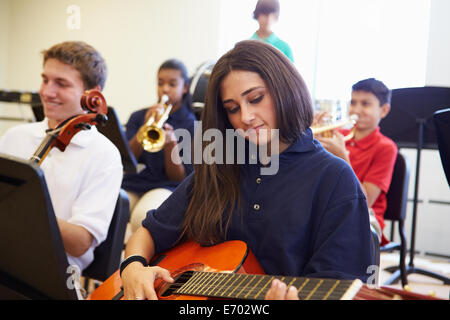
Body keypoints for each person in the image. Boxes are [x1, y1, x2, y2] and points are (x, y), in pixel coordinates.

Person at [120, 40, 375, 300]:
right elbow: (149, 231)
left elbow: (339, 286)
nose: (246, 117)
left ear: (285, 89)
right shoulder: (222, 166)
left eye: (256, 98)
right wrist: (133, 266)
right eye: (232, 108)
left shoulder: (334, 178)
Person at [0, 41, 123, 271]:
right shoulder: (15, 136)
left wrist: (24, 209)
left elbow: (79, 243)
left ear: (93, 94)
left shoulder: (104, 155)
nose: (47, 92)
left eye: (61, 84)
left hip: (52, 274)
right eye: (45, 80)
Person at [315, 78, 398, 246]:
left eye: (365, 104)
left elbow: (365, 202)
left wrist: (342, 158)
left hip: (364, 218)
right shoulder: (336, 135)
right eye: (353, 103)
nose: (356, 110)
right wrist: (313, 140)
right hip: (330, 210)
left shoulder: (386, 148)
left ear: (384, 110)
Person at [122, 59, 196, 234]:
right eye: (160, 83)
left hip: (166, 186)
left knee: (142, 216)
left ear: (184, 87)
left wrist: (171, 145)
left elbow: (179, 178)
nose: (165, 89)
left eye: (172, 84)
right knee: (113, 206)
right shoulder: (139, 116)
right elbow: (126, 161)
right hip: (135, 182)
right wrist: (144, 129)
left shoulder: (191, 124)